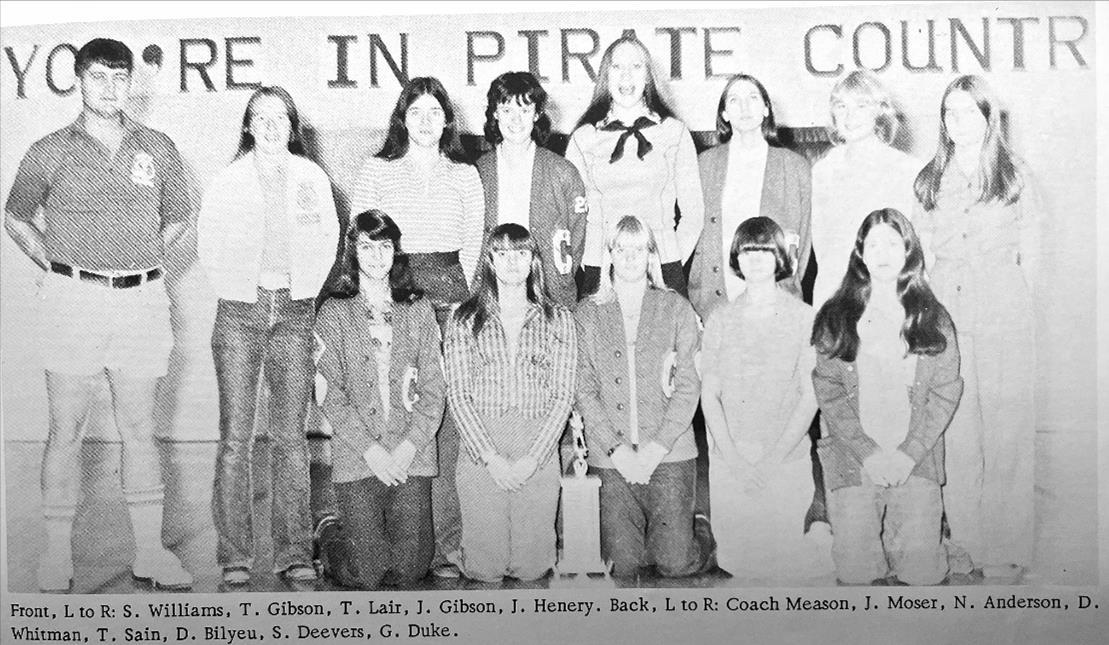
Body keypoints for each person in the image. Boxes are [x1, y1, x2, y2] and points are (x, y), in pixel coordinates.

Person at [4, 38, 192, 592]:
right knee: (66, 429)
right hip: (73, 302)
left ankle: (150, 552)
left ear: (131, 83)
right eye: (98, 77)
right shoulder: (48, 150)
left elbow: (179, 219)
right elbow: (15, 217)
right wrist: (60, 266)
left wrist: (141, 261)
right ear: (78, 81)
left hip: (141, 302)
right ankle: (56, 553)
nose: (110, 88)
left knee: (139, 429)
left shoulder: (157, 146)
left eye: (119, 77)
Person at [197, 85, 339, 586]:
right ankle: (234, 555)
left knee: (291, 438)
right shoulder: (228, 180)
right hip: (240, 312)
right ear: (248, 125)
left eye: (281, 118)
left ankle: (294, 551)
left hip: (295, 312)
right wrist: (238, 289)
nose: (272, 126)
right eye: (261, 117)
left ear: (293, 127)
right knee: (235, 439)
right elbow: (208, 240)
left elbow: (328, 238)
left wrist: (304, 292)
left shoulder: (311, 177)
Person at [350, 77, 484, 577]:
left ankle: (447, 545)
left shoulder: (465, 175)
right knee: (393, 411)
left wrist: (456, 302)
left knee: (444, 422)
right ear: (401, 119)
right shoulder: (376, 170)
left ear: (448, 120)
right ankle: (388, 534)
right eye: (416, 111)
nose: (425, 121)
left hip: (450, 298)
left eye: (435, 111)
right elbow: (362, 241)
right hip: (394, 295)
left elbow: (473, 246)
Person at [913, 75, 1041, 579]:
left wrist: (1026, 311)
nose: (959, 121)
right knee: (958, 431)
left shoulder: (1016, 176)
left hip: (1006, 315)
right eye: (951, 112)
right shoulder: (929, 180)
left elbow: (1035, 255)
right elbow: (920, 259)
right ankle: (965, 540)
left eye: (970, 111)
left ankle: (1005, 546)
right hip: (948, 319)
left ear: (989, 118)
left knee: (1007, 432)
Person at [811, 208, 962, 586]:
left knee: (923, 575)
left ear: (909, 252)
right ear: (860, 254)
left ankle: (929, 541)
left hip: (915, 459)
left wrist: (909, 454)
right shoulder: (836, 316)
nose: (883, 253)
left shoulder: (933, 318)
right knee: (857, 574)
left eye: (893, 244)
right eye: (874, 244)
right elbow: (828, 391)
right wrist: (868, 453)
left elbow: (946, 392)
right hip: (856, 459)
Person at [314, 210, 446, 589]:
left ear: (396, 252)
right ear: (352, 252)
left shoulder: (418, 308)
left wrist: (408, 447)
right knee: (367, 573)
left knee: (410, 568)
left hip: (411, 455)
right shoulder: (334, 311)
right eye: (366, 247)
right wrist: (371, 451)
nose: (376, 256)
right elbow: (330, 393)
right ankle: (328, 531)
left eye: (384, 246)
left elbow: (435, 388)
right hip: (360, 457)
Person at [574, 216, 709, 579]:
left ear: (652, 256)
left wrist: (656, 449)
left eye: (639, 249)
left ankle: (696, 528)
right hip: (611, 456)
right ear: (609, 256)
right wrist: (616, 450)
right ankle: (650, 536)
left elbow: (688, 385)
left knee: (675, 563)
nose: (630, 257)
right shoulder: (587, 313)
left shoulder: (676, 307)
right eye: (622, 248)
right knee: (623, 565)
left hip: (668, 453)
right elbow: (584, 388)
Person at [701, 217, 832, 583]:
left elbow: (810, 397)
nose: (756, 259)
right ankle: (815, 536)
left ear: (780, 257)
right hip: (733, 463)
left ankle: (816, 533)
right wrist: (735, 461)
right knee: (739, 565)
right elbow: (709, 395)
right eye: (747, 251)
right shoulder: (720, 319)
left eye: (764, 250)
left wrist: (772, 460)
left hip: (783, 460)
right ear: (736, 259)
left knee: (779, 567)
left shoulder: (804, 318)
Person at [443, 223, 577, 582]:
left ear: (533, 260)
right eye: (502, 254)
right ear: (490, 261)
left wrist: (534, 458)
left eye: (520, 253)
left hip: (537, 444)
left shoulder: (558, 319)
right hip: (482, 445)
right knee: (486, 570)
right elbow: (459, 396)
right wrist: (491, 458)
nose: (512, 262)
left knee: (532, 569)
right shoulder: (464, 318)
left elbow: (563, 396)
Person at [565, 36, 704, 296]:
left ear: (648, 76)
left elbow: (693, 213)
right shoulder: (582, 138)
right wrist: (592, 264)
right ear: (605, 76)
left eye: (636, 66)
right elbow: (573, 217)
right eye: (617, 67)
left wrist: (669, 263)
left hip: (661, 266)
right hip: (601, 268)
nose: (626, 76)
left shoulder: (674, 132)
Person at [691, 73, 812, 319]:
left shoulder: (795, 166)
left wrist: (785, 289)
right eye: (734, 100)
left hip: (775, 306)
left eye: (753, 98)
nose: (744, 107)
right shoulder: (705, 164)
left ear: (766, 109)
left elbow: (804, 239)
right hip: (716, 301)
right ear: (724, 114)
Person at [475, 71, 588, 308]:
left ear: (537, 114)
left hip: (549, 295)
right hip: (492, 294)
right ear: (495, 113)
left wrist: (559, 277)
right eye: (507, 110)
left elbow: (577, 236)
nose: (516, 120)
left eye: (525, 110)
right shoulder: (478, 171)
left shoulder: (563, 171)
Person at [810, 70, 922, 310]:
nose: (850, 116)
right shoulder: (823, 171)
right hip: (835, 295)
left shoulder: (908, 170)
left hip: (890, 297)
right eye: (841, 106)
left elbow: (915, 245)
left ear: (880, 112)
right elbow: (821, 247)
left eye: (861, 106)